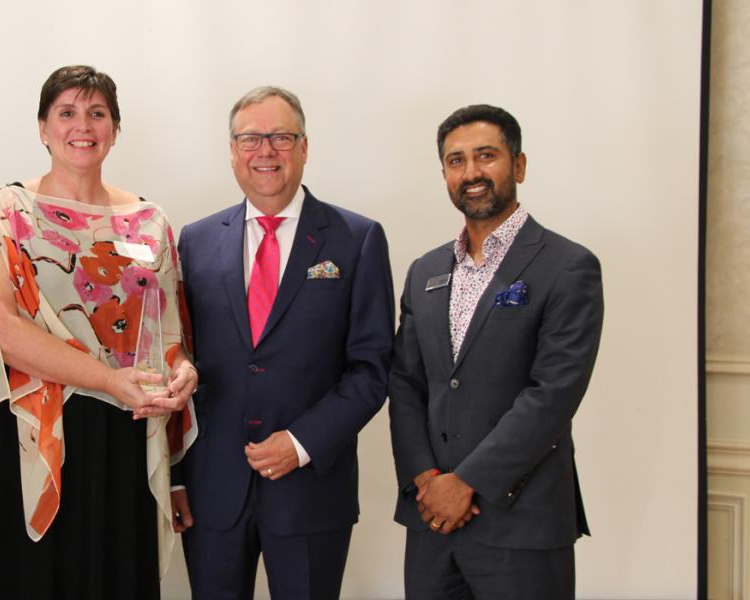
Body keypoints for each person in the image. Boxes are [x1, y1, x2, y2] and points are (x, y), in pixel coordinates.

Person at [0, 65, 198, 599]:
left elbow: (169, 330)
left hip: (122, 434)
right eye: (66, 112)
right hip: (32, 433)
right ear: (42, 127)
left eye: (96, 113)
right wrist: (106, 380)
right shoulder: (5, 209)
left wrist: (183, 373)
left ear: (114, 128)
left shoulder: (149, 220)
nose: (81, 125)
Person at [174, 86, 394, 600]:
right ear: (232, 151)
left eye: (280, 137)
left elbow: (371, 368)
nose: (265, 151)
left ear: (304, 146)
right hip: (212, 492)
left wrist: (300, 444)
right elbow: (178, 357)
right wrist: (178, 476)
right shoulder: (195, 239)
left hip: (311, 489)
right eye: (250, 138)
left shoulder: (356, 239)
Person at [389, 104, 604, 599]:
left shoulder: (568, 266)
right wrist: (427, 479)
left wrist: (466, 483)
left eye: (486, 156)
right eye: (456, 160)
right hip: (432, 522)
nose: (471, 173)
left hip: (521, 523)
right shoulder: (425, 271)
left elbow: (552, 394)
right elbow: (405, 384)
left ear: (519, 165)